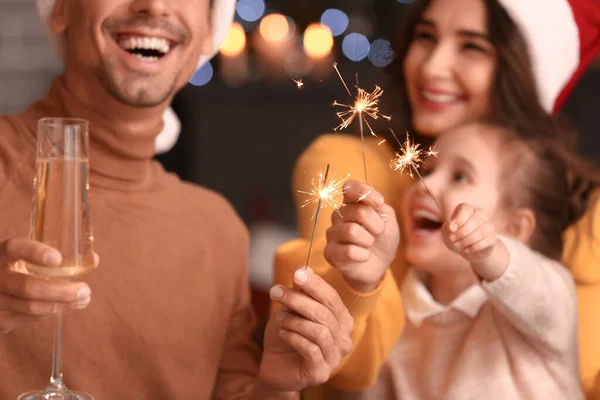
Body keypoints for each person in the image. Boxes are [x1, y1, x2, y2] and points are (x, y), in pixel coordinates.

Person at [0, 0, 354, 398]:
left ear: (208, 31)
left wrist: (273, 386)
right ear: (61, 8)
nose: (153, 5)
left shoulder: (215, 228)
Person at [272, 0, 600, 398]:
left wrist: (490, 254)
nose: (430, 68)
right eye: (426, 37)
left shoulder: (540, 288)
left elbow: (539, 290)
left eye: (472, 46)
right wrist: (361, 280)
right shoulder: (410, 299)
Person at [335, 118, 598, 399]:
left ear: (514, 229)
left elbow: (534, 287)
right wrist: (361, 281)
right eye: (427, 170)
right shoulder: (398, 312)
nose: (425, 185)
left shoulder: (549, 296)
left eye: (460, 176)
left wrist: (489, 252)